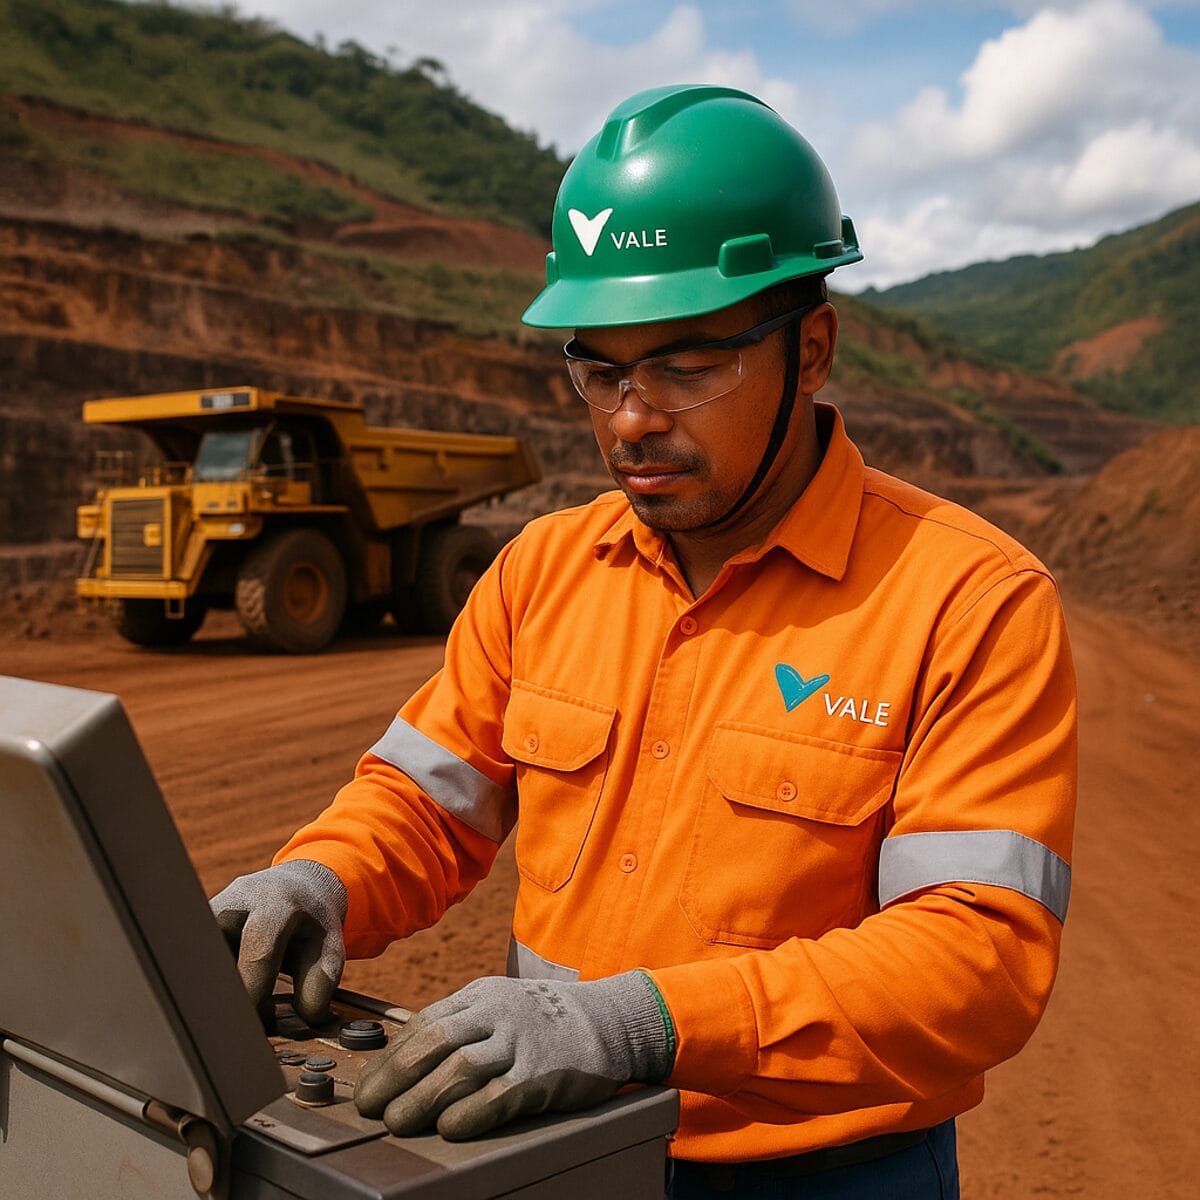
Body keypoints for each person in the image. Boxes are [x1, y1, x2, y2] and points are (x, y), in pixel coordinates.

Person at [211, 84, 1076, 1199]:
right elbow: (426, 801)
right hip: (558, 1153)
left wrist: (638, 1024)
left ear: (811, 348)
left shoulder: (970, 599)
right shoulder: (543, 570)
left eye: (685, 367)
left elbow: (977, 958)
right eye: (601, 370)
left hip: (826, 1175)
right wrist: (320, 877)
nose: (631, 418)